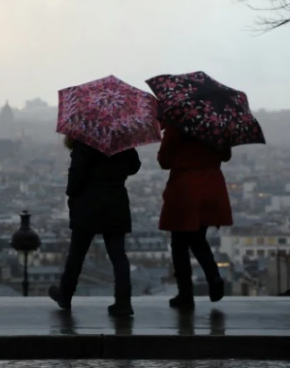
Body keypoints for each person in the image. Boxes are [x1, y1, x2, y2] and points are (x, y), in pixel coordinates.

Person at [48, 136, 142, 318]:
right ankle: (123, 302)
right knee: (118, 255)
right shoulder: (121, 140)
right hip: (116, 201)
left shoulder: (85, 141)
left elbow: (76, 174)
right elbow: (134, 166)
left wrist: (71, 193)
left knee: (77, 253)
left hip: (87, 203)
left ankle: (65, 295)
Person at [157, 122, 232, 311]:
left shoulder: (177, 126)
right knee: (198, 238)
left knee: (179, 243)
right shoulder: (217, 125)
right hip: (211, 186)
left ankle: (186, 294)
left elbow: (164, 161)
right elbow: (226, 155)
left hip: (185, 188)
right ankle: (214, 278)